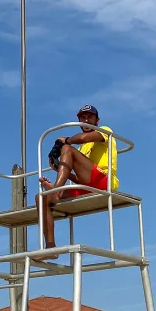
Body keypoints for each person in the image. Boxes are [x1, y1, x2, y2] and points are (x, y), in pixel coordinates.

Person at [37, 104, 120, 256]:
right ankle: (50, 247)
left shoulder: (105, 131)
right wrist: (63, 170)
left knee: (67, 150)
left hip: (104, 181)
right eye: (83, 117)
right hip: (88, 185)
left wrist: (66, 141)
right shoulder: (82, 150)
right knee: (41, 198)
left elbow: (81, 138)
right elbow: (80, 179)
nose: (86, 120)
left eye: (90, 117)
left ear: (97, 120)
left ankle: (56, 190)